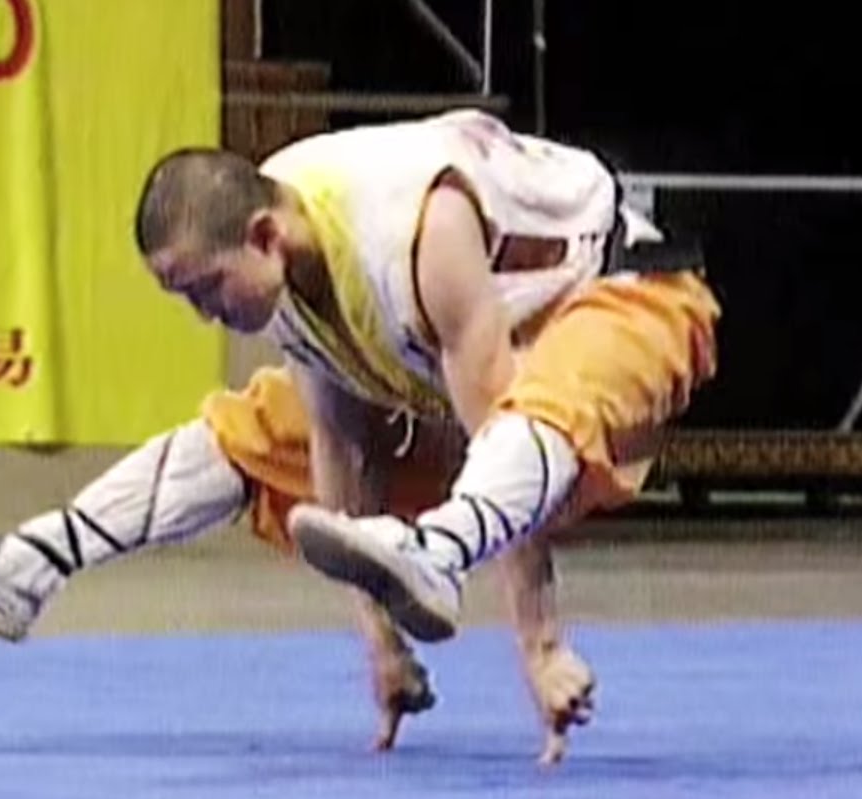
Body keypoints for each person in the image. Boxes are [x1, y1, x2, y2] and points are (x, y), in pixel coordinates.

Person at [135, 109, 720, 761]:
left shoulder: (417, 233)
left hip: (625, 288)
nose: (202, 314)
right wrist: (380, 642)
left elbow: (497, 423)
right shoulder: (283, 250)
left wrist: (542, 649)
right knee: (279, 431)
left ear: (265, 235)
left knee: (534, 417)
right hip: (503, 329)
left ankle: (437, 550)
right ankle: (34, 558)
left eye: (205, 288)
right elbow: (342, 452)